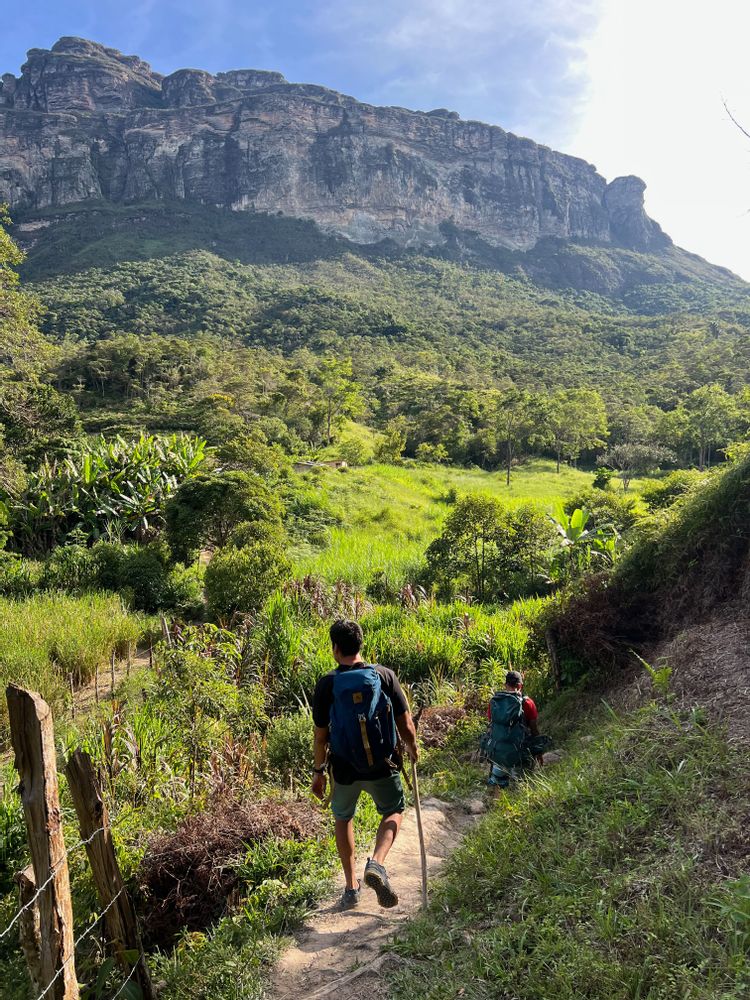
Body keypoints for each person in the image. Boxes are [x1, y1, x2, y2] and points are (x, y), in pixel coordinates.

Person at [311, 619, 419, 910]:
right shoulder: (384, 675)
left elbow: (321, 737)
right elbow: (406, 724)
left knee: (343, 817)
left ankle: (350, 888)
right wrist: (412, 747)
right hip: (382, 765)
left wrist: (318, 773)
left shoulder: (327, 684)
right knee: (393, 811)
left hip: (344, 768)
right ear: (362, 645)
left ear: (335, 648)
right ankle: (377, 864)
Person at [482, 670, 547, 789]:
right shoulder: (527, 703)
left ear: (505, 685)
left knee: (497, 787)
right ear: (520, 686)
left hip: (498, 754)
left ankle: (494, 804)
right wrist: (539, 751)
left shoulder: (494, 702)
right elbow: (534, 730)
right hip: (519, 755)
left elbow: (492, 728)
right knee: (520, 788)